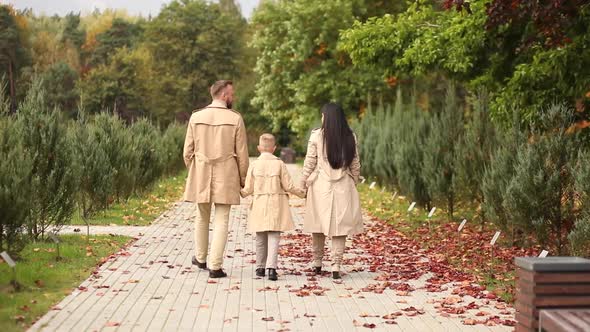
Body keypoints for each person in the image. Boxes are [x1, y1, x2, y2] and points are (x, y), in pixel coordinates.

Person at [182, 80, 249, 279]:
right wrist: (243, 179)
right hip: (226, 173)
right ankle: (215, 266)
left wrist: (195, 170)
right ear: (223, 95)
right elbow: (243, 154)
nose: (233, 97)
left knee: (201, 216)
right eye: (231, 94)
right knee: (222, 219)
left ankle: (200, 258)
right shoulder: (235, 119)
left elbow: (187, 152)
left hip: (201, 172)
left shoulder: (196, 117)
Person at [300, 102, 362, 279]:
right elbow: (355, 163)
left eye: (322, 115)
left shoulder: (316, 136)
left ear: (326, 118)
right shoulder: (350, 137)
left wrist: (303, 182)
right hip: (344, 185)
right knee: (339, 227)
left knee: (317, 224)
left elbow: (310, 162)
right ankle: (336, 265)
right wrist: (354, 181)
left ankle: (317, 262)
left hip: (320, 185)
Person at [240, 133, 306, 281]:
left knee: (260, 236)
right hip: (277, 204)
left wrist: (239, 192)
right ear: (274, 148)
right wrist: (302, 194)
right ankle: (271, 268)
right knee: (274, 236)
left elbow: (248, 188)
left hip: (259, 205)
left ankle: (260, 267)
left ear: (258, 148)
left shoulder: (255, 164)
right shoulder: (279, 164)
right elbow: (288, 185)